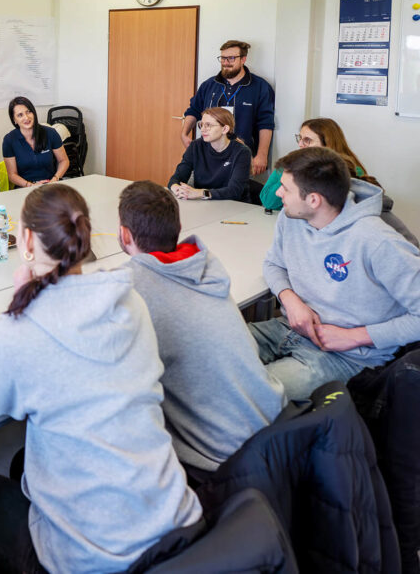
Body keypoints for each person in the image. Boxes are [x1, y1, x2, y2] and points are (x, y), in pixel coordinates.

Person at [0, 184, 200, 573]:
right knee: (22, 464)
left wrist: (15, 317)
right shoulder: (127, 299)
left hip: (92, 557)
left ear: (27, 241)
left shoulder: (22, 325)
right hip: (171, 517)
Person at [117, 180, 285, 476]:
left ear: (124, 234)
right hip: (276, 431)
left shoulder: (130, 287)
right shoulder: (203, 262)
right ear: (177, 228)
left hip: (223, 462)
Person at [249, 147, 420, 401]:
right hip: (288, 328)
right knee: (210, 351)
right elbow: (274, 264)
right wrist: (290, 300)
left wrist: (353, 336)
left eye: (285, 188)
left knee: (250, 394)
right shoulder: (290, 217)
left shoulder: (377, 240)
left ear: (314, 200)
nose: (277, 192)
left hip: (346, 356)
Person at [260, 117, 418, 246]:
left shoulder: (346, 171)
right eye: (299, 138)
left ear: (327, 145)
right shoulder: (295, 165)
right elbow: (268, 199)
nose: (300, 144)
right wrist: (290, 170)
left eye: (307, 140)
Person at [180, 40, 274, 176]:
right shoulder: (209, 85)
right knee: (200, 192)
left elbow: (265, 123)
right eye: (223, 58)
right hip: (207, 156)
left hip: (241, 156)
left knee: (235, 195)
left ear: (243, 59)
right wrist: (184, 134)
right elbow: (194, 110)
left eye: (231, 58)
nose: (225, 62)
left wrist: (262, 155)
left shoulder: (260, 87)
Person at [168, 107, 252, 201]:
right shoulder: (195, 146)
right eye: (201, 125)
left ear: (224, 129)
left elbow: (234, 191)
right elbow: (177, 178)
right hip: (204, 203)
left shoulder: (242, 152)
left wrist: (200, 193)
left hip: (234, 206)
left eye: (208, 125)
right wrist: (176, 188)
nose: (203, 130)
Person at [2, 96, 69, 188]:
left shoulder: (50, 133)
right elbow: (12, 175)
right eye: (20, 115)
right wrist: (30, 185)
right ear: (14, 120)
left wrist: (55, 179)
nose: (26, 117)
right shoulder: (9, 140)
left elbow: (63, 161)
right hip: (24, 187)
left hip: (50, 184)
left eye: (28, 112)